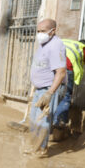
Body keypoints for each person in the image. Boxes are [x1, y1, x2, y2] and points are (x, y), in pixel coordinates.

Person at [28, 18, 67, 154]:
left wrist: (49, 93)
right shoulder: (43, 44)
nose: (39, 34)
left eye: (42, 31)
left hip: (49, 89)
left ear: (53, 31)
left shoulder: (56, 46)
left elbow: (61, 73)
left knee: (42, 122)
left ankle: (40, 152)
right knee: (33, 120)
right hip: (40, 89)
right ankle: (34, 147)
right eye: (38, 31)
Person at [53, 38, 85, 136]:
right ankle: (59, 122)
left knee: (52, 94)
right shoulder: (83, 47)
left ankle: (49, 123)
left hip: (50, 69)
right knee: (66, 97)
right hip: (65, 71)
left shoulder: (67, 43)